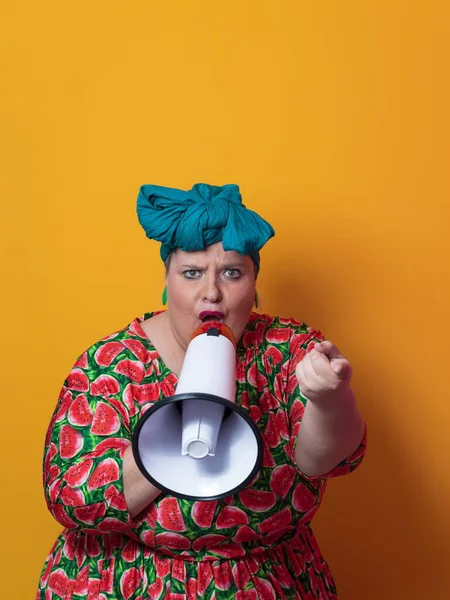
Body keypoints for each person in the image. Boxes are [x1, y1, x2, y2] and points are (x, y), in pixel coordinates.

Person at [37, 183, 366, 600]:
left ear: (253, 284)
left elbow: (325, 460)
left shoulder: (289, 349)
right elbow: (70, 498)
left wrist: (328, 398)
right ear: (167, 281)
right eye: (192, 273)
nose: (211, 292)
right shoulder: (110, 361)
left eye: (232, 273)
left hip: (267, 581)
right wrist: (177, 430)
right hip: (125, 582)